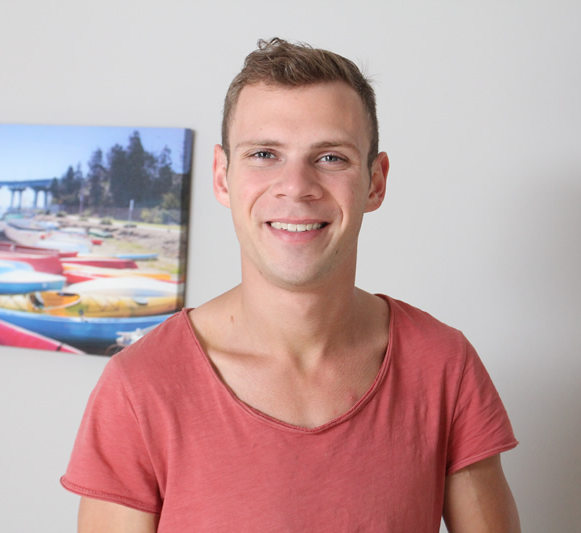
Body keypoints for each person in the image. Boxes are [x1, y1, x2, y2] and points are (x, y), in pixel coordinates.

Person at [62, 38, 520, 532]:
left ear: (375, 182)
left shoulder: (444, 366)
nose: (296, 186)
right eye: (264, 154)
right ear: (222, 177)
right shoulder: (140, 386)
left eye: (331, 158)